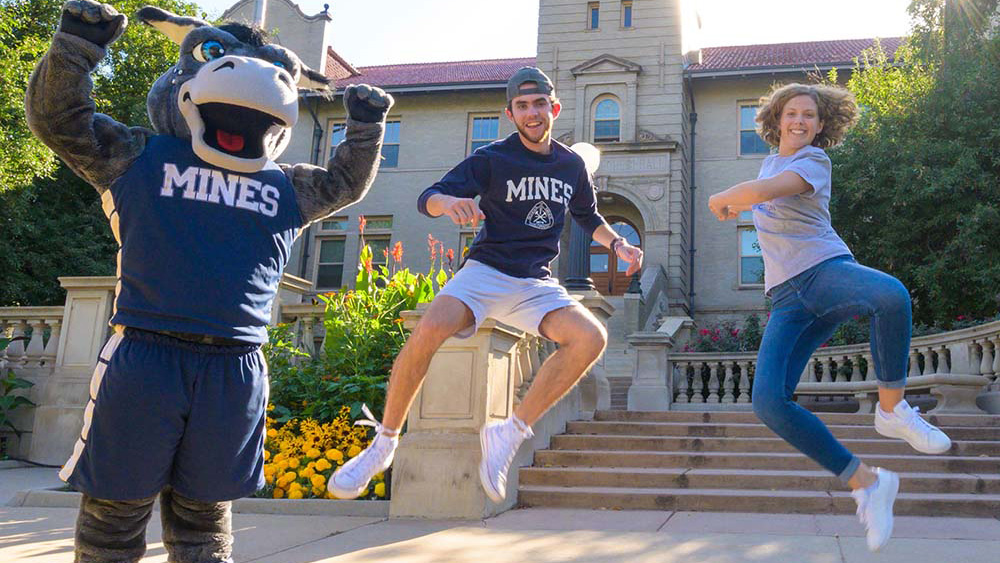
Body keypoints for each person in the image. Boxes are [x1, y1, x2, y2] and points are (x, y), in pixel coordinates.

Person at [25, 2, 392, 561]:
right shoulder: (138, 154)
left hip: (237, 364)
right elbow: (62, 121)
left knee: (206, 521)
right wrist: (75, 46)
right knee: (114, 517)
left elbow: (345, 183)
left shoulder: (287, 185)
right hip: (146, 353)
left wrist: (365, 129)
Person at [329, 66, 643, 503]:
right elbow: (428, 197)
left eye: (538, 105)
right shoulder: (493, 158)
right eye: (521, 107)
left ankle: (509, 433)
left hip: (535, 281)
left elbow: (589, 217)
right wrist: (451, 202)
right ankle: (384, 442)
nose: (532, 114)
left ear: (553, 108)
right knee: (430, 328)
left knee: (591, 338)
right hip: (486, 271)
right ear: (510, 114)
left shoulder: (571, 165)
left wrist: (619, 246)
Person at [707, 82, 952, 552]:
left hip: (823, 271)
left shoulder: (812, 162)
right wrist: (737, 199)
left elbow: (766, 191)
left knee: (891, 296)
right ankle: (867, 483)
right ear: (777, 119)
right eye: (792, 113)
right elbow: (759, 192)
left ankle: (892, 409)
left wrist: (729, 197)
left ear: (821, 126)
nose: (800, 121)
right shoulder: (768, 163)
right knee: (769, 403)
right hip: (787, 298)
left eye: (810, 116)